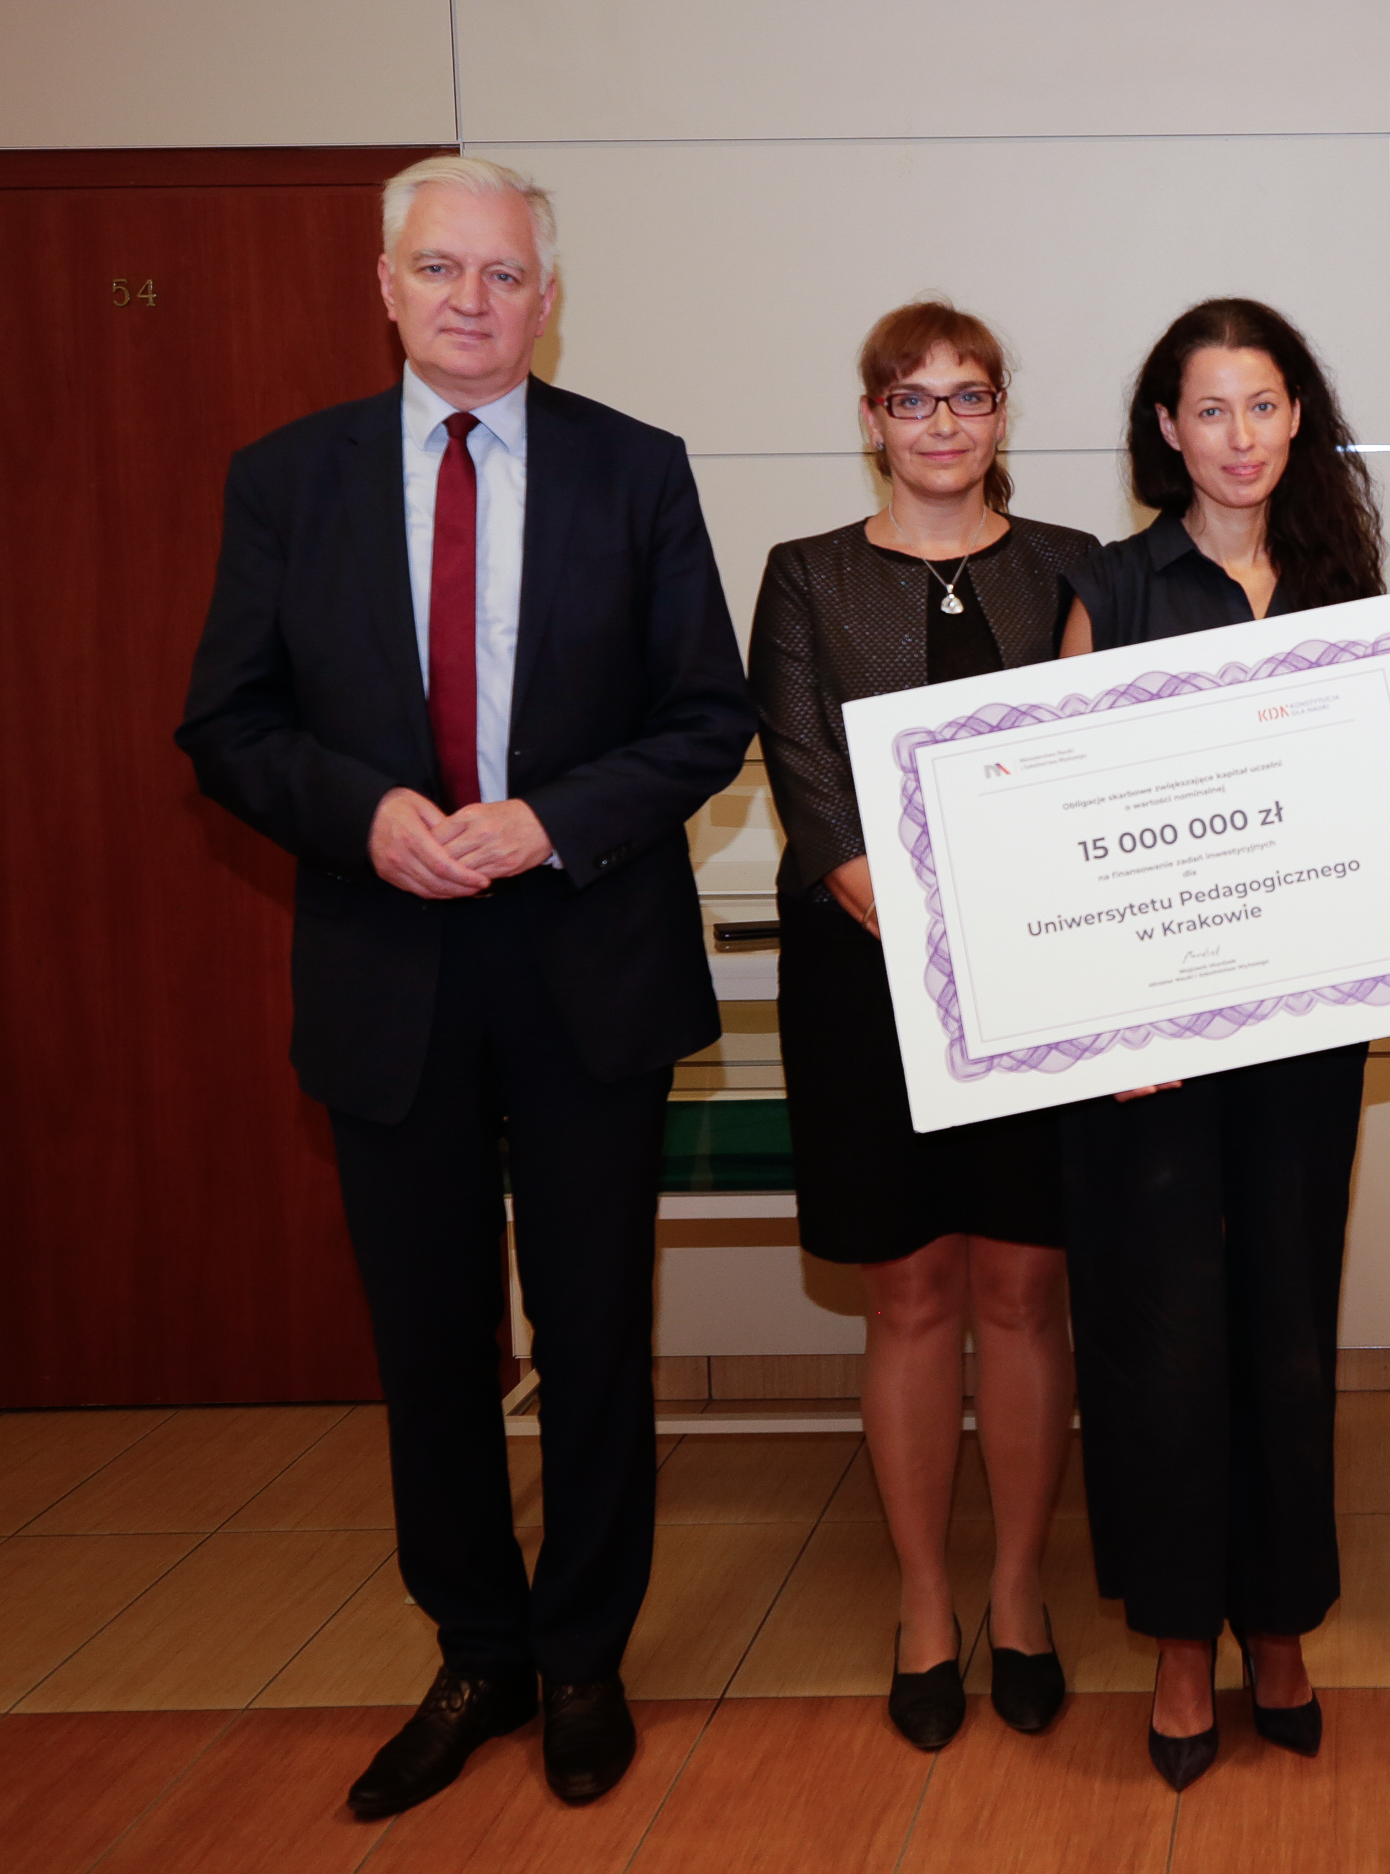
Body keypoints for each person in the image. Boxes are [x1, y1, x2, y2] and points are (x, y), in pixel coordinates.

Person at [176, 156, 755, 1815]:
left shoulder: (635, 471)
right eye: (440, 269)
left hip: (585, 957)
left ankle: (582, 1656)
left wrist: (549, 820)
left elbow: (703, 716)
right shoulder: (286, 480)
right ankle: (474, 1648)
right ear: (385, 283)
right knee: (429, 1341)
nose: (471, 299)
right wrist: (364, 816)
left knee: (592, 1336)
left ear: (546, 295)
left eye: (504, 275)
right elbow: (226, 723)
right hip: (387, 964)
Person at [747, 299, 1095, 1751]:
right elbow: (809, 781)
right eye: (913, 399)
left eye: (969, 397)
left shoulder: (1076, 565)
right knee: (910, 1294)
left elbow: (1098, 764)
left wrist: (1018, 940)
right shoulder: (805, 575)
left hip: (1041, 979)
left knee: (1021, 1290)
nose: (942, 422)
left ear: (1001, 415)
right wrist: (928, 927)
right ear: (874, 419)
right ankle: (922, 1599)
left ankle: (1016, 1592)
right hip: (866, 975)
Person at [1053, 297, 1389, 1790]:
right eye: (1210, 410)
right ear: (1167, 432)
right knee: (1162, 1345)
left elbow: (1386, 811)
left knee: (1286, 1332)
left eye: (1264, 406)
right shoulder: (1112, 587)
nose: (1239, 436)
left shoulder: (1346, 586)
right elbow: (1065, 822)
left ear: (1296, 419)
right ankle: (1184, 1639)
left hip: (1306, 1049)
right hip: (1152, 1061)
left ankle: (1280, 1621)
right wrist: (1116, 1013)